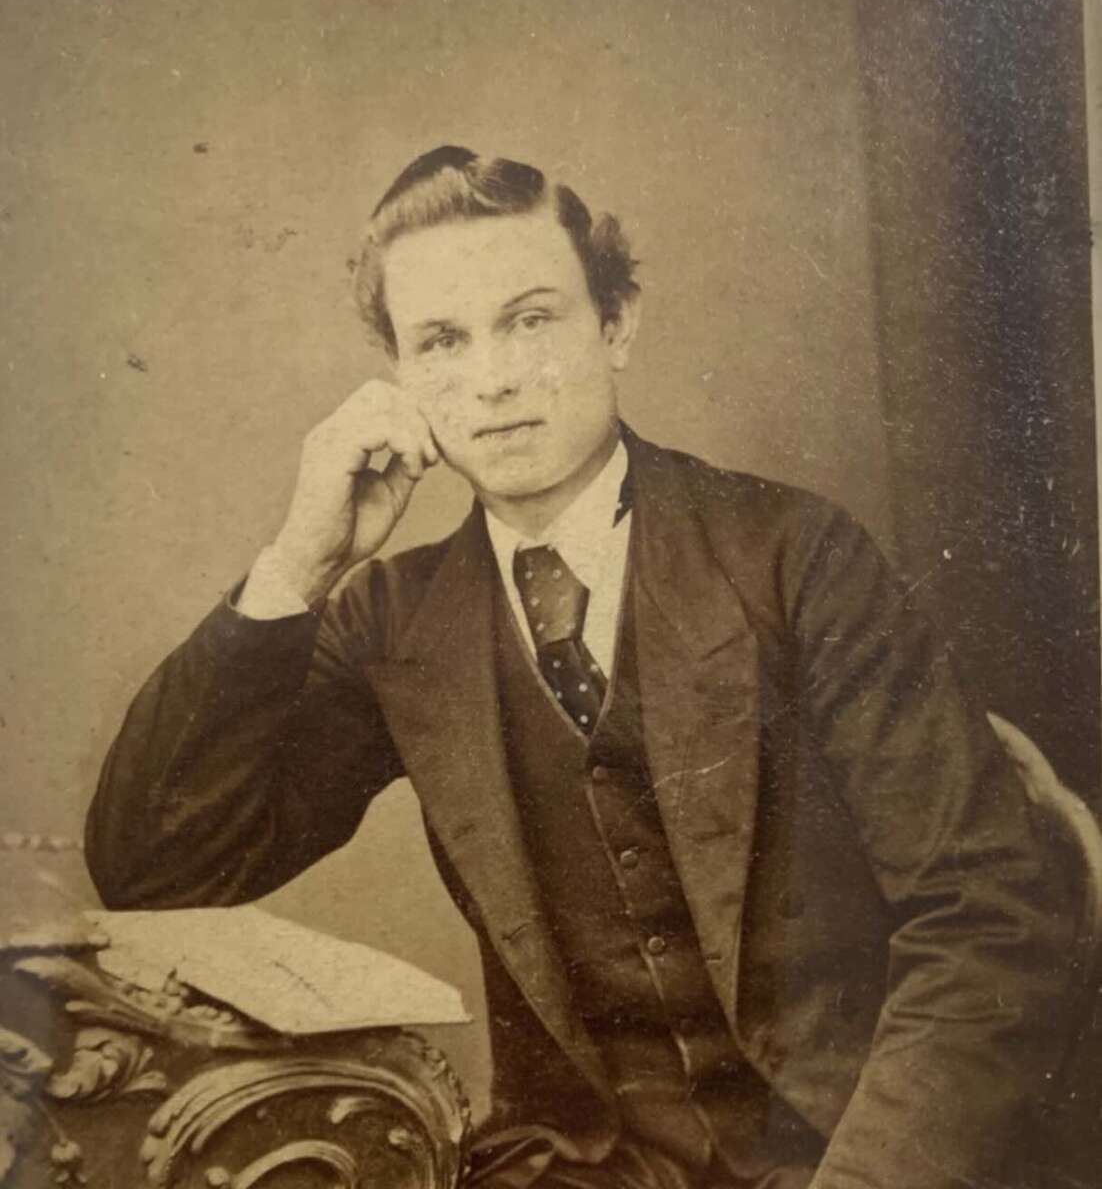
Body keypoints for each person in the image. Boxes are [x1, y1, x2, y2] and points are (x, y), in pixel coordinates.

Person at [85, 146, 1077, 1189]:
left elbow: (989, 921)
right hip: (584, 1169)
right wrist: (300, 561)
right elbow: (160, 874)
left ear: (616, 325)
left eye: (529, 320)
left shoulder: (793, 558)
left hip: (859, 1153)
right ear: (401, 378)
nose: (493, 379)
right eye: (442, 341)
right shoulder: (395, 617)